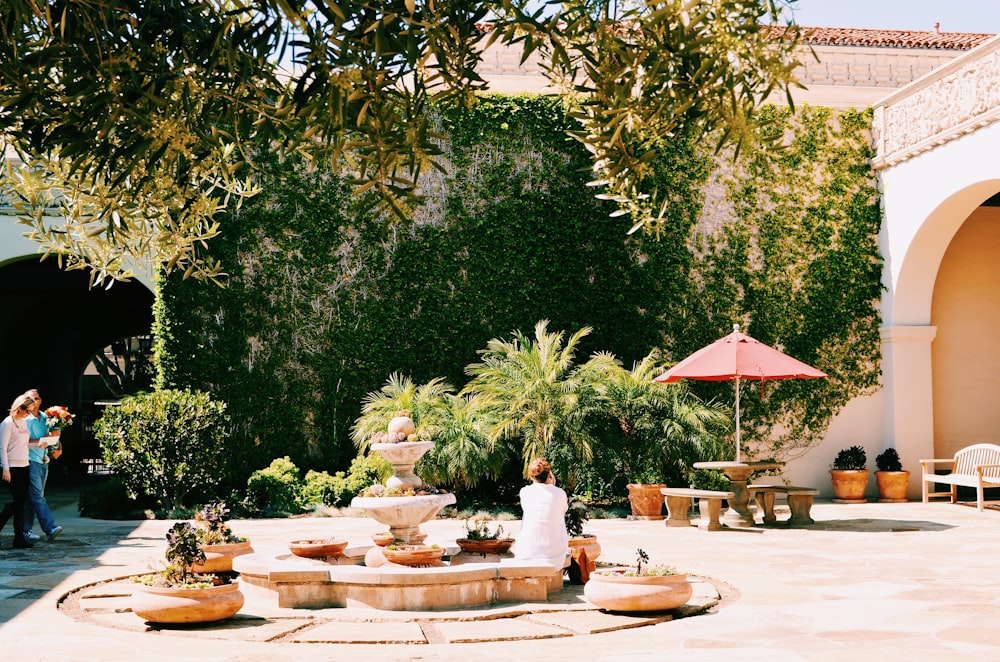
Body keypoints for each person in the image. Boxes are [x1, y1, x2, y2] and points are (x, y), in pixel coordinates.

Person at [511, 457, 568, 570]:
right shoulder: (560, 493)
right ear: (549, 475)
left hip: (526, 555)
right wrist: (553, 485)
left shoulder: (525, 492)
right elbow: (563, 510)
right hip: (554, 557)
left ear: (531, 477)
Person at [23, 389, 62, 543]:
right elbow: (23, 443)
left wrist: (58, 449)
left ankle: (25, 531)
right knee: (38, 496)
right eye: (29, 399)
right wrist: (42, 442)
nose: (33, 401)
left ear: (40, 400)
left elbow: (55, 438)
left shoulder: (47, 418)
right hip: (29, 460)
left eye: (36, 398)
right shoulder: (25, 420)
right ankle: (50, 528)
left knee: (32, 497)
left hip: (44, 461)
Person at [0, 394, 37, 548]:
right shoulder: (7, 423)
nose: (29, 414)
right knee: (18, 502)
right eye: (28, 411)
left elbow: (23, 444)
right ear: (20, 408)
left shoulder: (23, 423)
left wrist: (38, 445)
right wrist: (5, 468)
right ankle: (18, 537)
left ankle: (19, 538)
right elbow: (2, 447)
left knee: (21, 502)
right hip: (13, 467)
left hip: (24, 465)